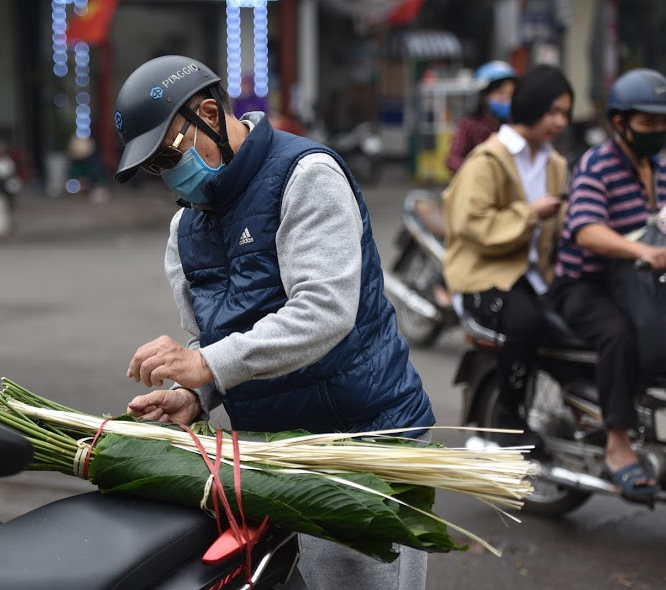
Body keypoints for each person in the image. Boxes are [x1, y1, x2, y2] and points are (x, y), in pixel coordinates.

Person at [113, 55, 434, 590]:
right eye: (154, 167)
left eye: (168, 153)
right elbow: (219, 345)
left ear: (211, 114)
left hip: (360, 445)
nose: (167, 173)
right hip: (276, 459)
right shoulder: (184, 231)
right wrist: (198, 395)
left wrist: (204, 363)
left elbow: (324, 312)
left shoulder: (305, 176)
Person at [550, 68, 666, 502]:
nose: (658, 132)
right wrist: (642, 252)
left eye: (663, 123)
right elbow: (585, 229)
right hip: (586, 286)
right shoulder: (596, 165)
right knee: (620, 334)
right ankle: (618, 445)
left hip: (639, 283)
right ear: (620, 123)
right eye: (649, 123)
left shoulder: (659, 166)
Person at [443, 64, 573, 441]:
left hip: (535, 275)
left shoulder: (556, 163)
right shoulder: (488, 160)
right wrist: (530, 215)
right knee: (526, 323)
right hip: (485, 274)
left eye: (565, 113)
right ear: (531, 107)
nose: (560, 122)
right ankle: (508, 419)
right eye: (553, 112)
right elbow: (473, 223)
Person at [445, 60, 517, 175]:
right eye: (500, 93)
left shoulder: (515, 125)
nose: (506, 99)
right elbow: (452, 159)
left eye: (510, 95)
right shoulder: (469, 125)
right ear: (484, 95)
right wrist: (477, 173)